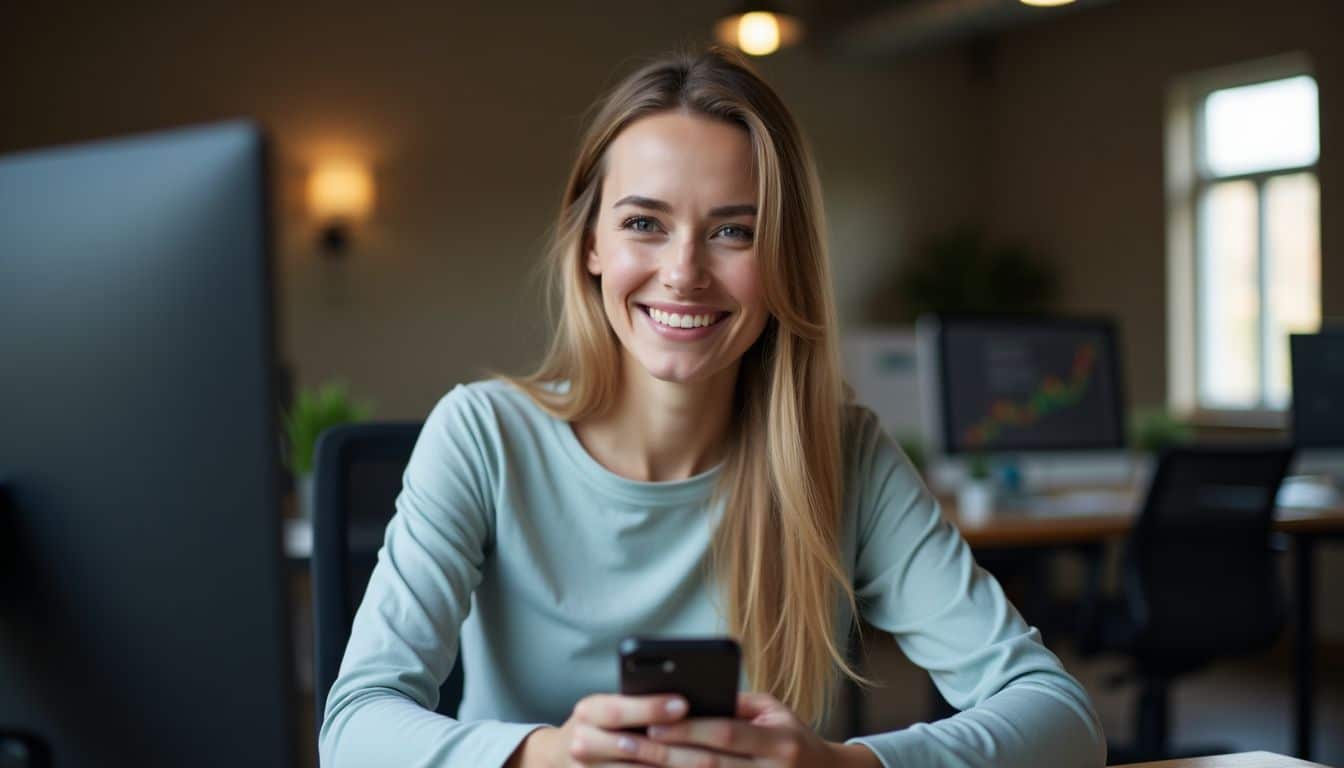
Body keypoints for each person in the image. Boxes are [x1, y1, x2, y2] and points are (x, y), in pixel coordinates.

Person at [320, 47, 1106, 768]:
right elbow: (353, 729)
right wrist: (548, 758)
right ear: (592, 243)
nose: (685, 271)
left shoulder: (842, 452)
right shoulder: (483, 436)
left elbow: (1062, 718)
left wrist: (843, 766)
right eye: (644, 224)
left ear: (782, 259)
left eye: (734, 231)